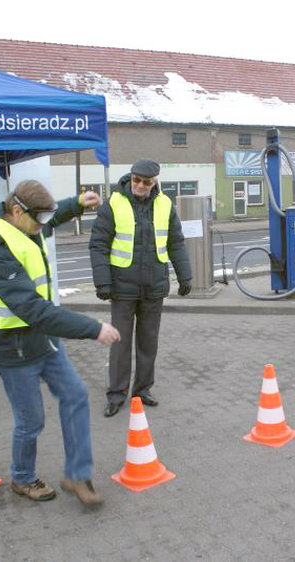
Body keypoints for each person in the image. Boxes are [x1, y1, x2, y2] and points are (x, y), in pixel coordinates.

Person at [0, 179, 120, 504]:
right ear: (15, 210)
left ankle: (78, 476)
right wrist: (92, 328)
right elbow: (33, 309)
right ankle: (22, 479)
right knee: (31, 421)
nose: (43, 226)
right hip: (12, 345)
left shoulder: (24, 220)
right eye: (38, 220)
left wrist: (78, 203)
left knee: (76, 396)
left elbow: (47, 217)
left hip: (44, 339)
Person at [89, 159, 192, 417]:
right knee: (119, 343)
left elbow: (176, 243)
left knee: (148, 342)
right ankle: (116, 394)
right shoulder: (113, 203)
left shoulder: (165, 205)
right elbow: (98, 245)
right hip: (122, 288)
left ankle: (143, 389)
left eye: (146, 182)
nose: (140, 185)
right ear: (130, 177)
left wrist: (185, 276)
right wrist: (103, 281)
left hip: (154, 287)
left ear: (155, 182)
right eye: (136, 180)